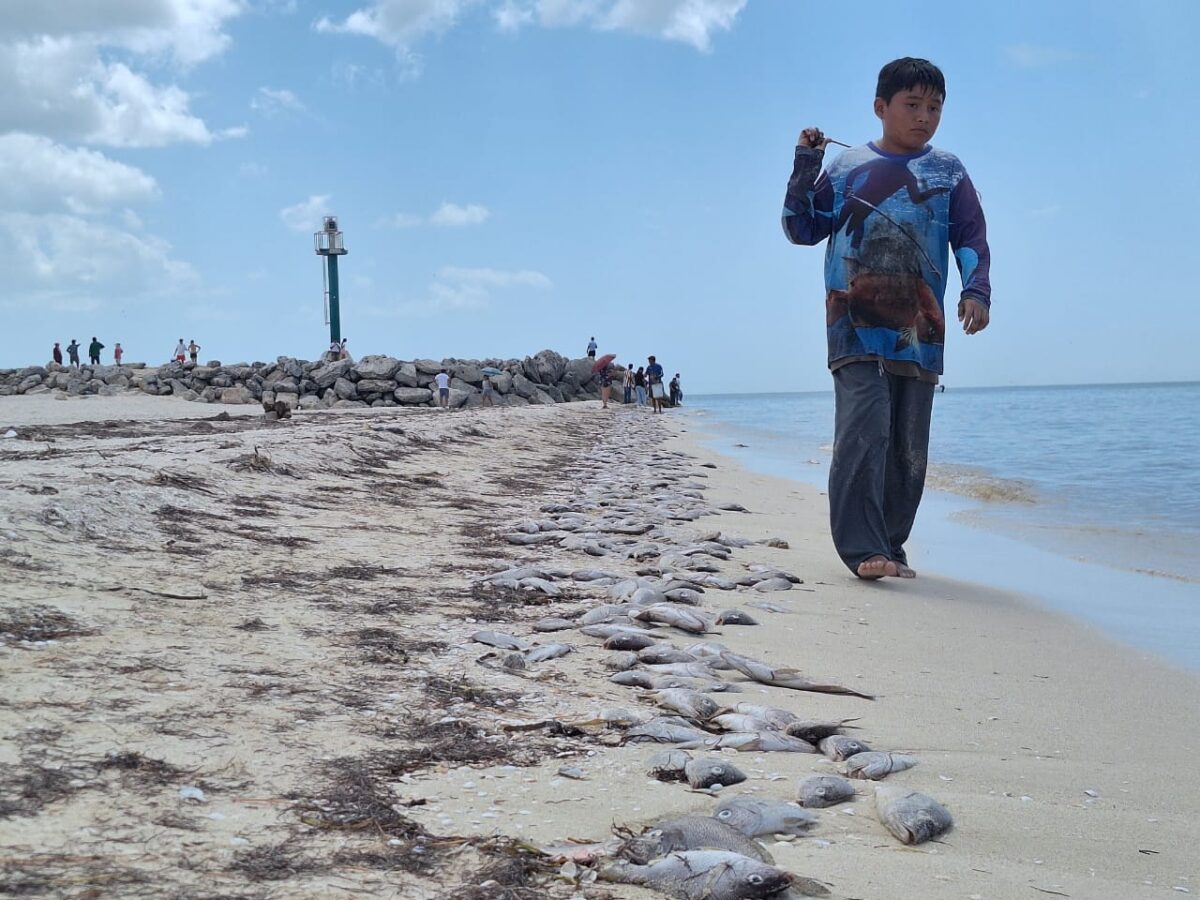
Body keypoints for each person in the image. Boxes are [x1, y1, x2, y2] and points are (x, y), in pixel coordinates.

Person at [782, 57, 991, 580]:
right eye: (912, 105)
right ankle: (860, 548)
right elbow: (802, 228)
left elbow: (969, 237)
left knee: (907, 448)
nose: (924, 116)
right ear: (881, 108)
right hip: (852, 323)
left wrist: (977, 290)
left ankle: (890, 545)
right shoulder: (846, 166)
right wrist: (806, 163)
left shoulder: (948, 172)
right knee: (864, 430)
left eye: (935, 107)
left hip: (920, 332)